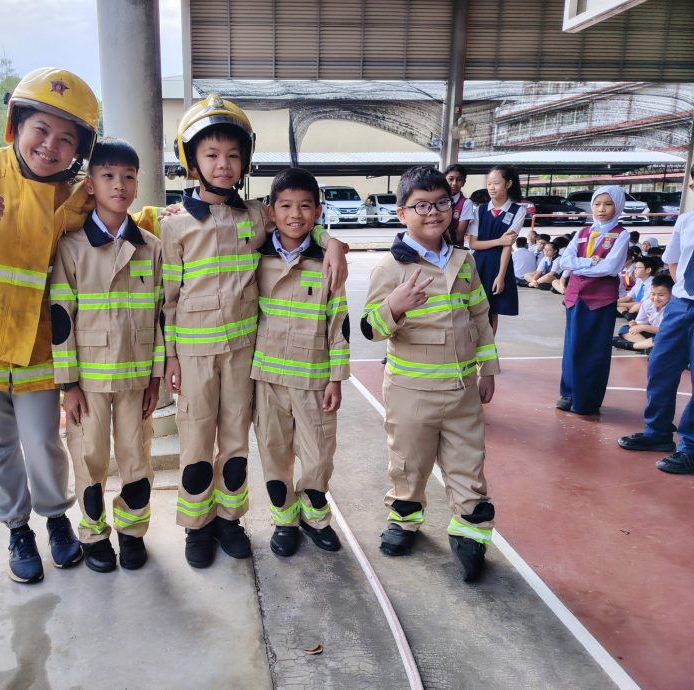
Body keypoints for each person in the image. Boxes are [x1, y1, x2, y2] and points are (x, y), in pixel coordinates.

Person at [0, 67, 157, 584]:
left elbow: (124, 210)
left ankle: (57, 519)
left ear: (80, 152)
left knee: (45, 445)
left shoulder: (73, 196)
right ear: (16, 123)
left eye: (67, 139)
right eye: (41, 129)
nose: (51, 146)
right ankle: (18, 528)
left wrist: (180, 216)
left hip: (42, 347)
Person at [160, 94, 348, 568]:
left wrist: (334, 242)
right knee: (198, 441)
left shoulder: (254, 216)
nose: (223, 165)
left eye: (233, 155)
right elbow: (166, 299)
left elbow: (297, 221)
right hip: (196, 356)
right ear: (191, 160)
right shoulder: (175, 225)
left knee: (237, 443)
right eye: (211, 155)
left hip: (246, 352)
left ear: (245, 161)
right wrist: (171, 357)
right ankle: (196, 527)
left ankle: (230, 519)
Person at [361, 166, 500, 582]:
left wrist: (487, 369)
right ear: (402, 213)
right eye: (422, 205)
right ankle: (404, 522)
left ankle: (470, 537)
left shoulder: (463, 261)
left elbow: (480, 318)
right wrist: (395, 305)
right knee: (409, 464)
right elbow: (370, 328)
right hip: (410, 391)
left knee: (468, 465)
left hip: (461, 392)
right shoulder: (389, 267)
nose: (434, 212)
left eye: (441, 202)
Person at [50, 139, 162, 573]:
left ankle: (133, 534)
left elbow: (161, 317)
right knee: (89, 458)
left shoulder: (151, 247)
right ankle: (94, 534)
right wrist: (68, 385)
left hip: (137, 383)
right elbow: (61, 317)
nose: (120, 185)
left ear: (138, 185)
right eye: (109, 176)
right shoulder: (72, 247)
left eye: (129, 177)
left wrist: (155, 378)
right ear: (91, 184)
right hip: (89, 384)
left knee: (136, 458)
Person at [251, 168, 350, 557]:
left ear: (318, 211)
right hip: (267, 377)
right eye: (286, 206)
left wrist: (337, 378)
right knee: (274, 452)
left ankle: (315, 518)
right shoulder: (255, 257)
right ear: (270, 212)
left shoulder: (328, 263)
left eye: (305, 206)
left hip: (313, 379)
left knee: (318, 455)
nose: (296, 215)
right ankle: (284, 520)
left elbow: (338, 323)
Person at [618, 168, 694, 474]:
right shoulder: (687, 221)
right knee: (661, 367)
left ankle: (689, 446)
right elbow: (674, 261)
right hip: (682, 304)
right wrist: (684, 290)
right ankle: (658, 433)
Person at [556, 186, 630, 415]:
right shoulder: (582, 232)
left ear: (617, 206)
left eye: (608, 204)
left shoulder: (622, 234)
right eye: (597, 204)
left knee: (594, 349)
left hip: (600, 299)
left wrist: (582, 264)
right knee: (572, 346)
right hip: (575, 297)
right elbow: (564, 262)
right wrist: (591, 263)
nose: (601, 209)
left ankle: (586, 400)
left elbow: (610, 268)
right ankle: (568, 393)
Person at [468, 164, 524, 333]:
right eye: (489, 183)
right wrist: (499, 241)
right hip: (478, 264)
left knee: (492, 310)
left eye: (496, 183)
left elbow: (508, 246)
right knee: (472, 307)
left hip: (500, 265)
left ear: (508, 184)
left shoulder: (518, 211)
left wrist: (501, 276)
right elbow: (473, 244)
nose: (491, 187)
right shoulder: (480, 210)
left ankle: (488, 348)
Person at [612, 274, 674, 352]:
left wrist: (643, 327)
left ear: (671, 294)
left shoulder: (674, 308)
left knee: (666, 338)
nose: (656, 298)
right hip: (652, 335)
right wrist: (635, 324)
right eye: (653, 294)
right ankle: (649, 348)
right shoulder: (647, 303)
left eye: (661, 295)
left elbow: (667, 330)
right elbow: (641, 322)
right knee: (625, 329)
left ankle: (634, 345)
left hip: (665, 334)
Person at [444, 163, 475, 247]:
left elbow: (458, 237)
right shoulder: (436, 200)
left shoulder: (466, 203)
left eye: (459, 180)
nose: (454, 183)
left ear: (464, 182)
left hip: (455, 250)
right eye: (450, 179)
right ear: (444, 179)